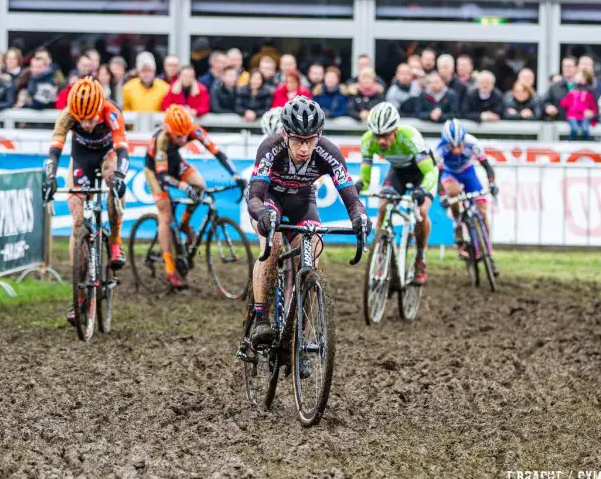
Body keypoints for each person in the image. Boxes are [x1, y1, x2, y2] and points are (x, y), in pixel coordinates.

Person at [246, 97, 368, 347]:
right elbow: (255, 196)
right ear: (284, 134)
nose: (304, 148)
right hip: (270, 201)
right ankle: (261, 320)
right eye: (298, 140)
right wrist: (263, 216)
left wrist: (359, 217)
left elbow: (351, 198)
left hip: (303, 203)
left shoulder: (328, 151)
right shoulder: (270, 147)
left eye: (310, 140)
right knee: (273, 244)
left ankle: (298, 336)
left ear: (319, 135)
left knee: (312, 257)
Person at [41, 78, 130, 323]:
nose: (87, 125)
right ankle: (78, 296)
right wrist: (49, 178)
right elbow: (54, 150)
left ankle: (114, 241)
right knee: (77, 221)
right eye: (81, 120)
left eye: (91, 119)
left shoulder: (111, 112)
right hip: (81, 157)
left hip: (108, 154)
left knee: (114, 183)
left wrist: (120, 177)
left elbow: (123, 150)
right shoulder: (68, 115)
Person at [144, 104, 246, 287]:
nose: (183, 139)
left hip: (175, 162)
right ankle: (169, 268)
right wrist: (182, 185)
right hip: (155, 170)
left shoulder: (192, 129)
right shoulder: (161, 139)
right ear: (169, 130)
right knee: (165, 215)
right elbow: (162, 176)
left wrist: (236, 174)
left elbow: (217, 153)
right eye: (178, 136)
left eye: (185, 135)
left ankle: (184, 224)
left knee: (200, 186)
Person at [355, 102, 438, 284]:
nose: (381, 141)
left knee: (421, 212)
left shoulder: (409, 136)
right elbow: (365, 177)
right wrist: (360, 185)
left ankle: (420, 259)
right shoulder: (368, 140)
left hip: (422, 173)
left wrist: (422, 189)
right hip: (398, 171)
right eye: (378, 136)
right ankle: (380, 253)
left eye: (385, 135)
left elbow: (430, 172)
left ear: (395, 130)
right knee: (384, 204)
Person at [435, 119, 498, 273]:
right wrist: (442, 195)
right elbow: (438, 176)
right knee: (453, 192)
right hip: (450, 174)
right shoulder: (440, 149)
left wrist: (492, 184)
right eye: (452, 146)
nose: (456, 150)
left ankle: (487, 252)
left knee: (482, 211)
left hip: (468, 172)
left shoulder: (472, 143)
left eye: (459, 145)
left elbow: (487, 167)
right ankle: (457, 223)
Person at [560, 69, 598, 140]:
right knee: (574, 129)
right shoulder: (572, 92)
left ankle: (585, 145)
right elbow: (565, 103)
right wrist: (562, 101)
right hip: (572, 116)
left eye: (580, 76)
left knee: (585, 130)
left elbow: (593, 107)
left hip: (583, 116)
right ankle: (571, 144)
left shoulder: (589, 93)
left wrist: (592, 114)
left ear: (585, 79)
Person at [541, 57, 577, 121]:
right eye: (564, 66)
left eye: (569, 66)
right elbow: (545, 101)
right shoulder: (555, 86)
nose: (567, 69)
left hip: (579, 125)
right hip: (559, 124)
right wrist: (548, 107)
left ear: (576, 68)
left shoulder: (582, 86)